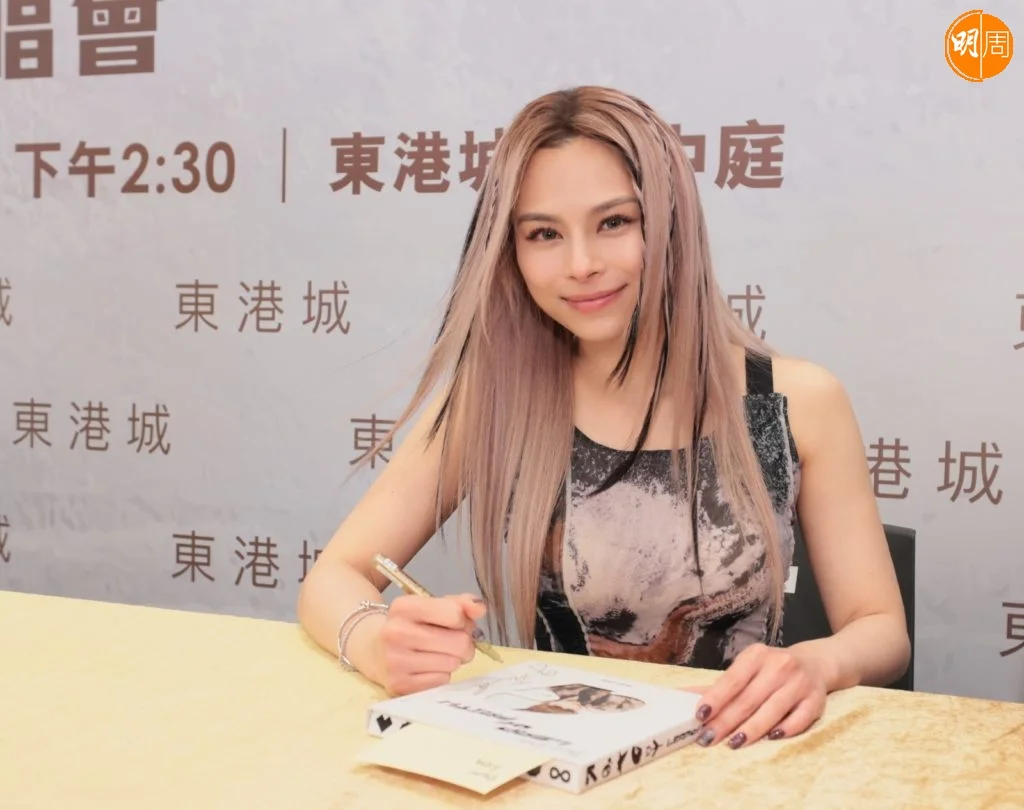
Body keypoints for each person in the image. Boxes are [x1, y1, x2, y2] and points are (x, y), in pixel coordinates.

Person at [296, 85, 911, 750]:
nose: (582, 265)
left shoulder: (790, 403)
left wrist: (817, 663)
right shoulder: (498, 401)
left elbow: (879, 627)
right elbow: (334, 576)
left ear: (670, 223)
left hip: (739, 760)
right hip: (559, 765)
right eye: (544, 234)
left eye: (614, 222)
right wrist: (376, 642)